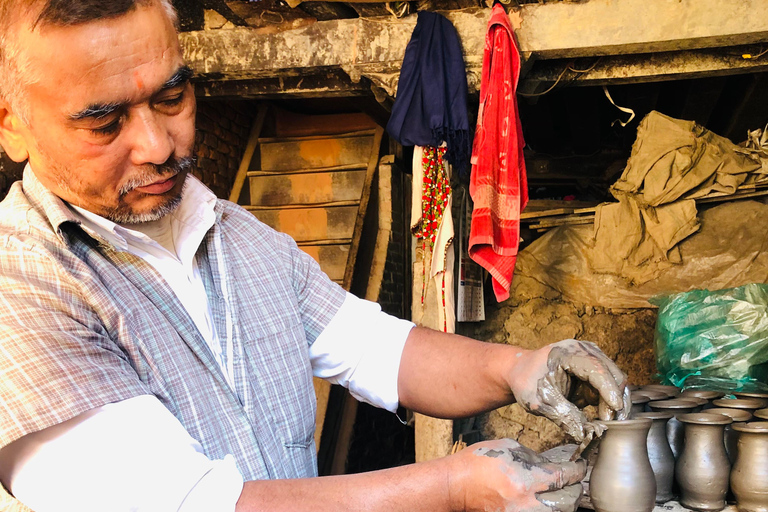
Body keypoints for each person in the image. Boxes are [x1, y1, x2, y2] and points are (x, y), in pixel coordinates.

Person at [0, 1, 630, 511]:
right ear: (12, 124)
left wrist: (520, 367)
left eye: (171, 99)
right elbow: (194, 506)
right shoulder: (20, 284)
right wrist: (452, 488)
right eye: (104, 122)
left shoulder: (238, 236)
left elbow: (377, 348)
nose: (159, 146)